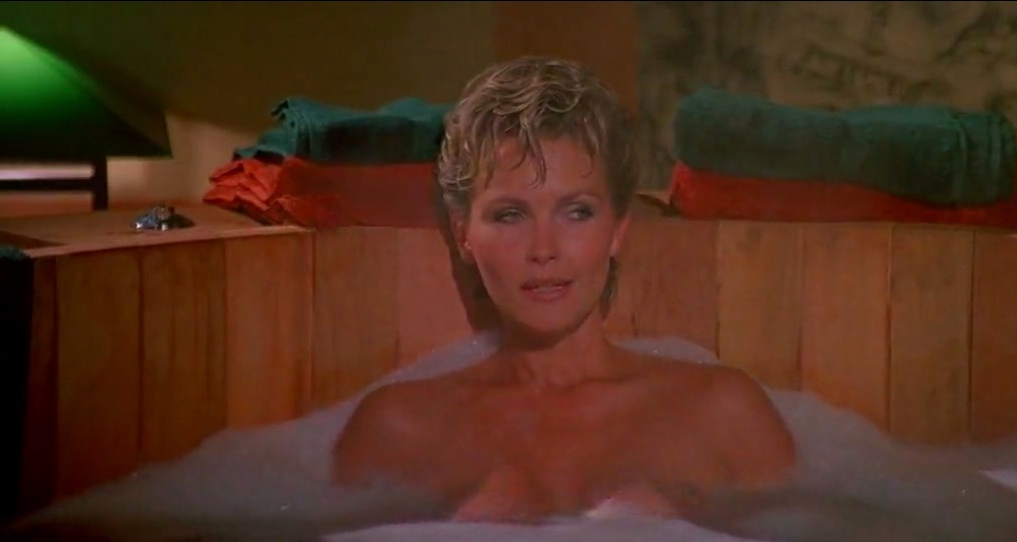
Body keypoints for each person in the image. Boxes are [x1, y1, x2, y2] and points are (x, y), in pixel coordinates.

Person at [330, 56, 797, 524]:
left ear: (617, 229)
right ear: (463, 234)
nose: (544, 249)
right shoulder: (397, 429)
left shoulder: (723, 413)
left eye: (576, 212)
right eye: (510, 214)